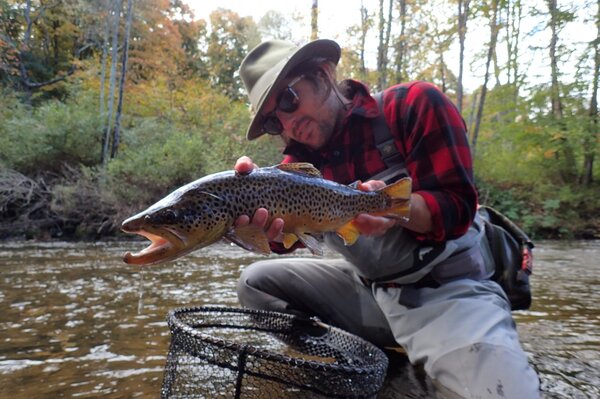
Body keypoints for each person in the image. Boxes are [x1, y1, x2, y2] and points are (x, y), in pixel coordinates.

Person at [233, 39, 540, 398]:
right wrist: (255, 226)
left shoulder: (413, 105)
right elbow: (287, 241)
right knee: (255, 283)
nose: (288, 123)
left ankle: (431, 367)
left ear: (325, 73)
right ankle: (371, 371)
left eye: (288, 99)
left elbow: (456, 206)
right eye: (273, 120)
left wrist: (395, 208)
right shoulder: (297, 170)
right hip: (374, 292)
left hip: (449, 292)